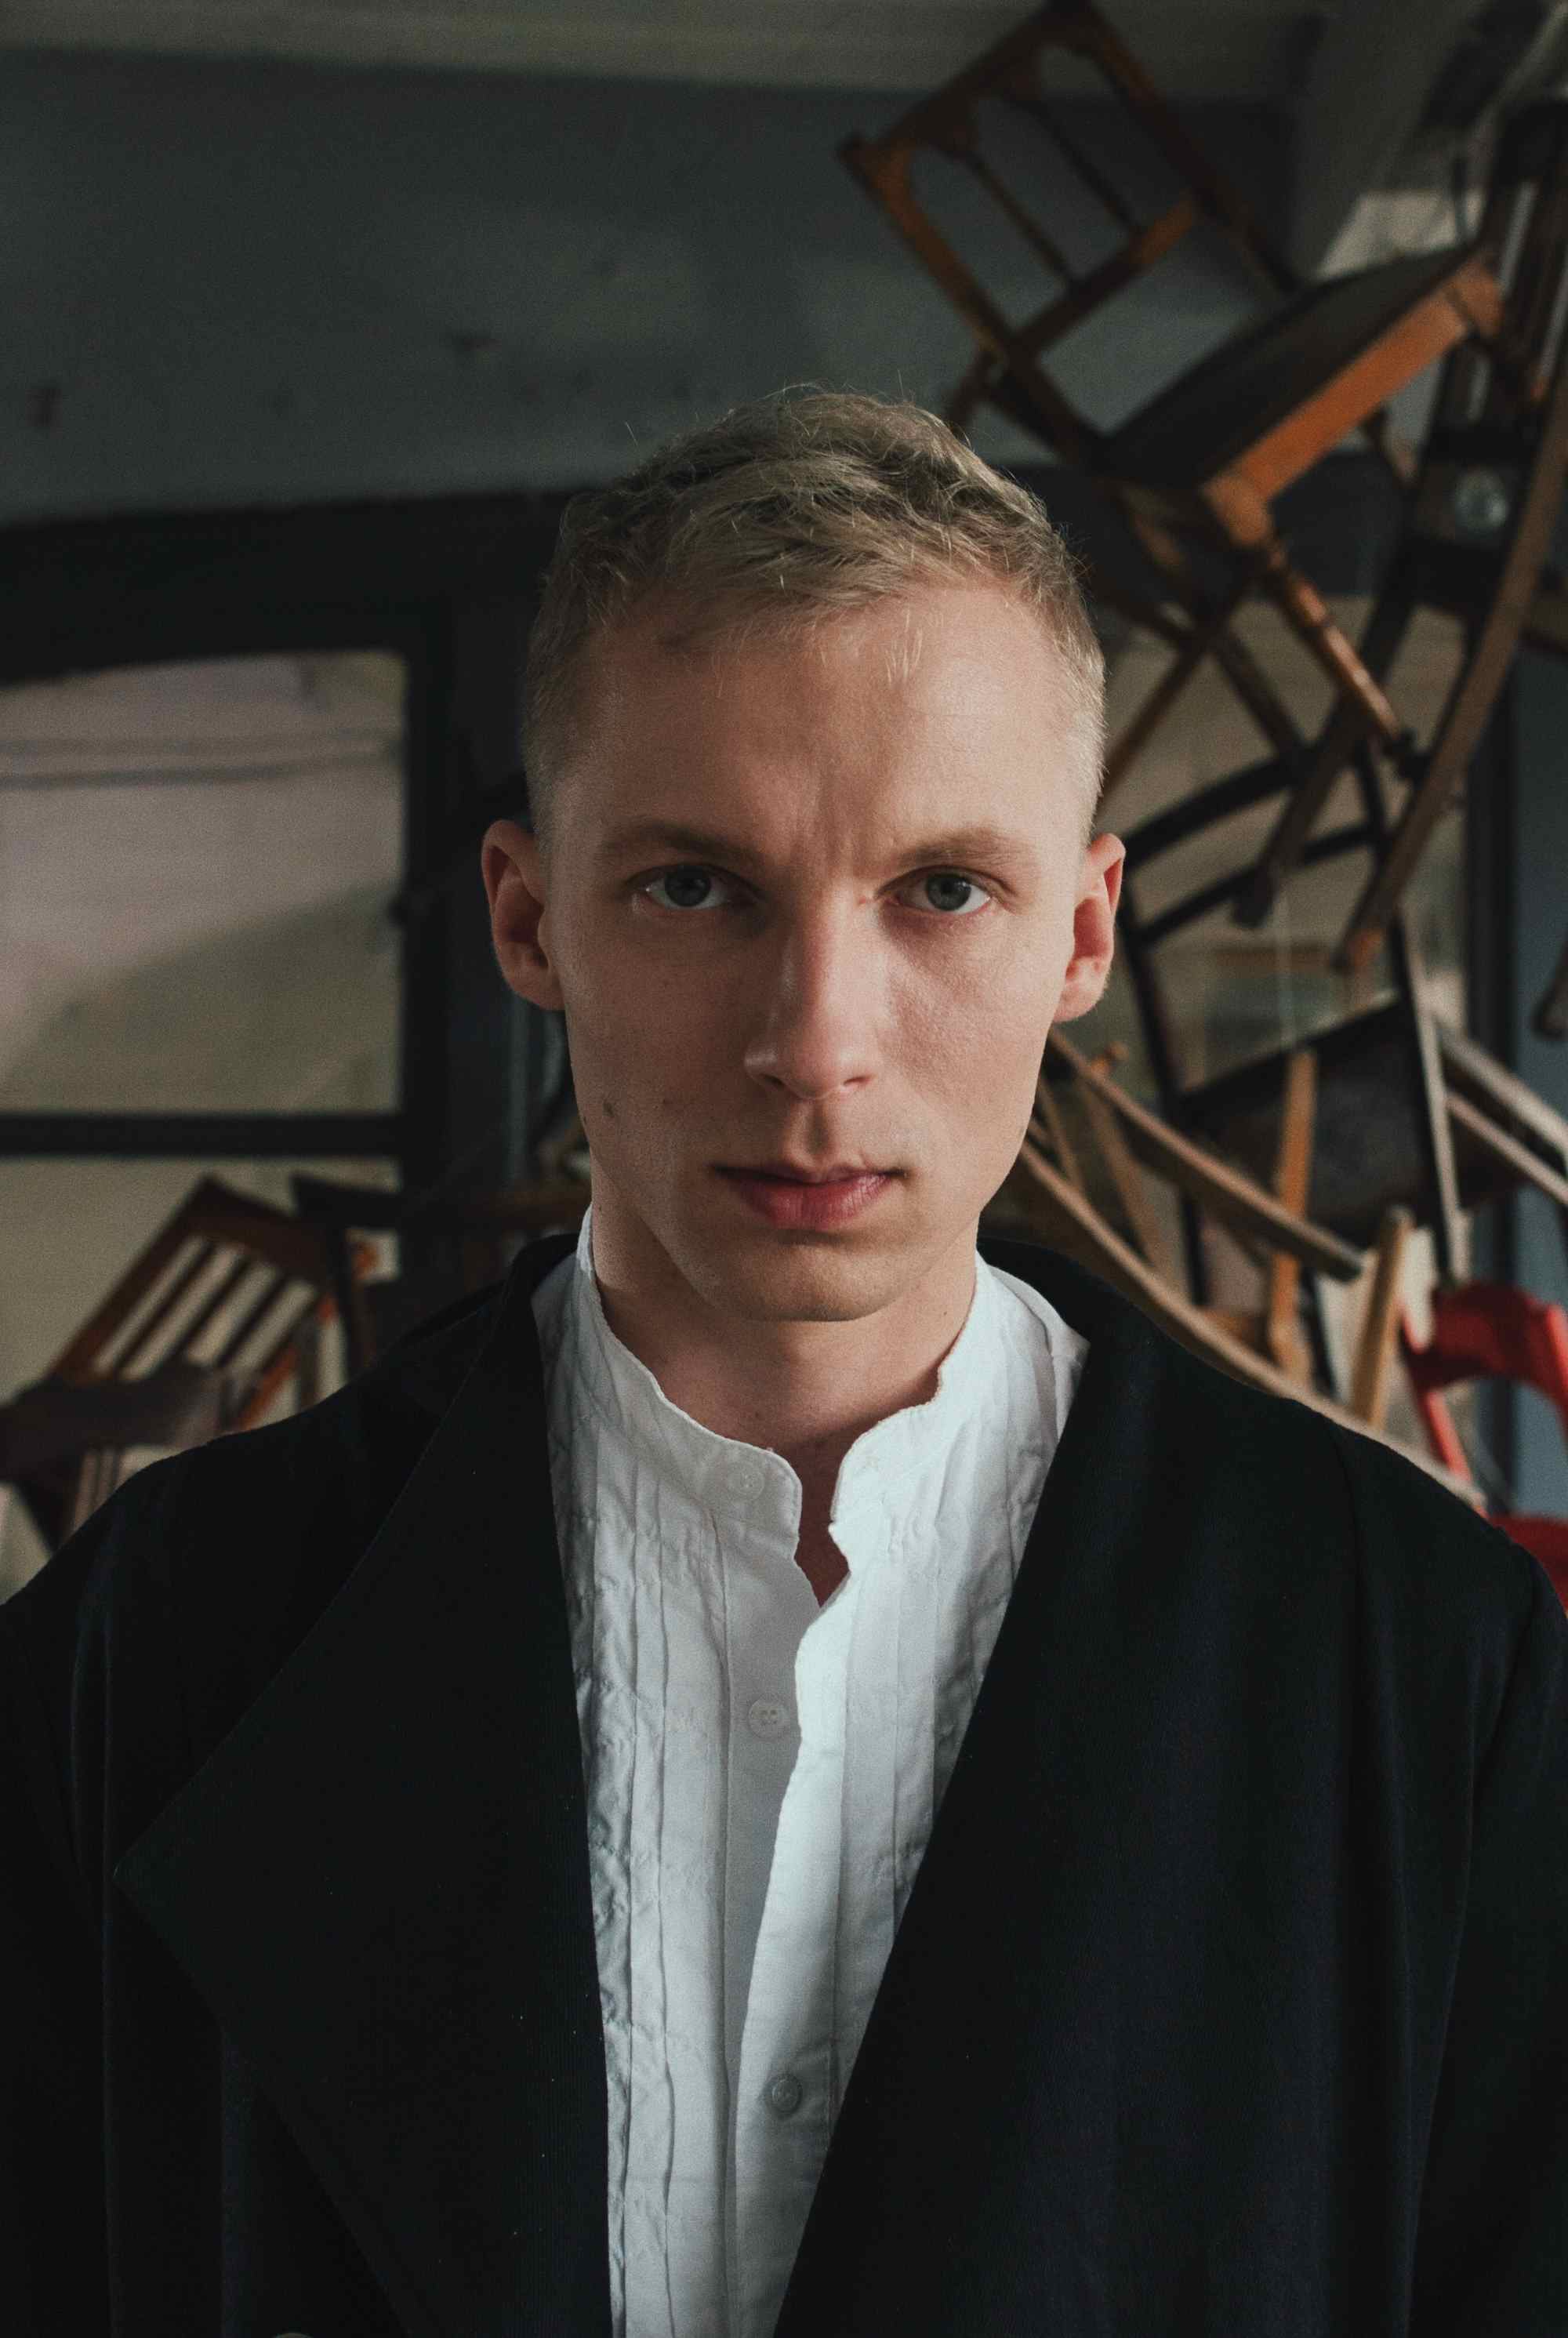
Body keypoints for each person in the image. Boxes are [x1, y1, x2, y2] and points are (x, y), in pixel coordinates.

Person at [1, 390, 1563, 2338]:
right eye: (695, 886)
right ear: (528, 919)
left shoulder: (1432, 1671)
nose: (817, 1043)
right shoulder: (143, 1654)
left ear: (1082, 935)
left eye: (942, 890)